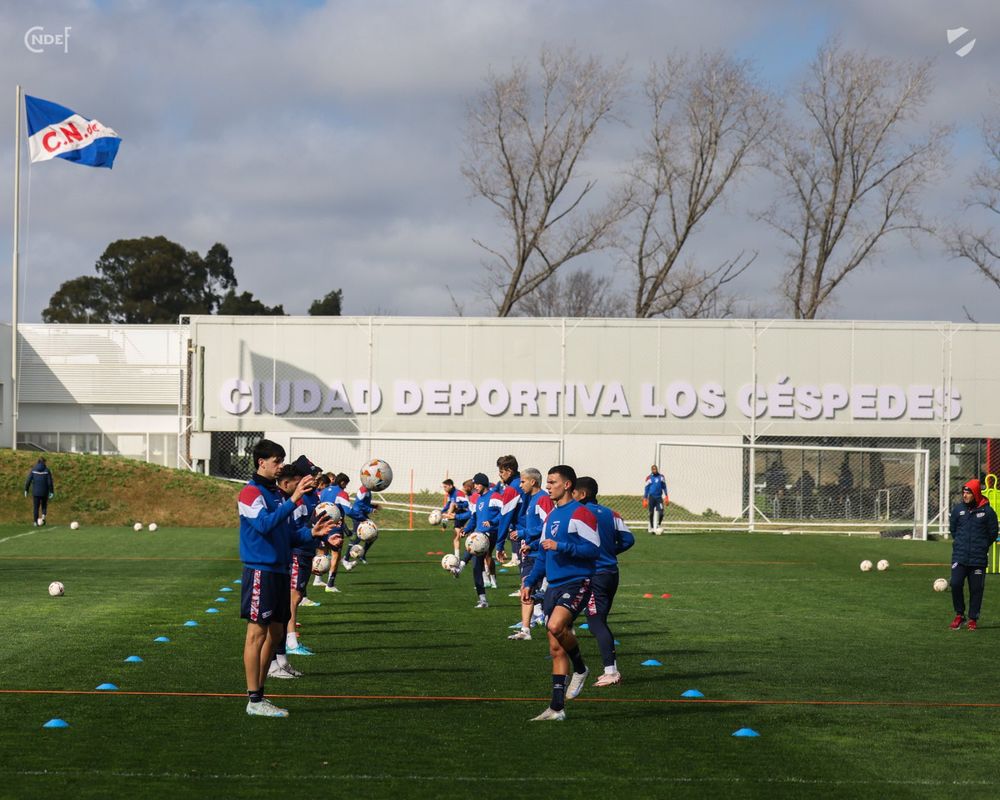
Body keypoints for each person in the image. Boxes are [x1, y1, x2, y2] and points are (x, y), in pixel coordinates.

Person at [238, 439, 334, 717]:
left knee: (277, 632)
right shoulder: (250, 493)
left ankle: (260, 694)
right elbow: (265, 525)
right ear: (262, 462)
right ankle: (254, 699)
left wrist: (312, 534)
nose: (280, 466)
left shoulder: (274, 494)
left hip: (279, 569)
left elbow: (288, 535)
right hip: (261, 570)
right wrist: (293, 501)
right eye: (277, 461)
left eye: (281, 461)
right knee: (256, 633)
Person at [521, 465, 600, 721]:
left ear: (567, 485)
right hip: (553, 586)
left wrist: (561, 545)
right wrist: (530, 581)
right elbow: (544, 555)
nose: (548, 486)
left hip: (576, 582)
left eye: (552, 482)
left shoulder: (581, 513)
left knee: (556, 626)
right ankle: (556, 709)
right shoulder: (551, 517)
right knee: (556, 649)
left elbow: (593, 550)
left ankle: (580, 668)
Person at [573, 476, 634, 685]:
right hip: (611, 574)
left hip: (595, 575)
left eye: (573, 492)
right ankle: (609, 669)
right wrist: (610, 551)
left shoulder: (578, 514)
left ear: (582, 494)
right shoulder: (611, 513)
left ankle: (612, 671)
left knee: (596, 622)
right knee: (599, 621)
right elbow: (628, 539)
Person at [508, 467, 553, 640]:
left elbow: (547, 526)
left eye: (523, 481)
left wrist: (524, 535)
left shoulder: (542, 499)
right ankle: (526, 630)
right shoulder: (532, 499)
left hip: (539, 555)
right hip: (531, 552)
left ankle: (550, 624)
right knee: (526, 588)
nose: (520, 485)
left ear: (533, 482)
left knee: (537, 591)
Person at [948, 479, 999, 631]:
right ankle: (959, 614)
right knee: (955, 584)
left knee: (976, 589)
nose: (965, 495)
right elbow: (953, 530)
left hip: (978, 559)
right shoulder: (958, 510)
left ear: (975, 493)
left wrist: (982, 546)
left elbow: (992, 533)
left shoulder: (988, 512)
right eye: (963, 492)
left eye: (968, 492)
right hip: (960, 556)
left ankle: (973, 618)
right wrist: (961, 544)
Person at [453, 473, 500, 607]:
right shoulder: (478, 499)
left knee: (474, 545)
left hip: (490, 534)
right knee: (476, 567)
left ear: (483, 484)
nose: (475, 487)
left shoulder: (495, 496)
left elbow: (505, 513)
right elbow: (474, 518)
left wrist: (492, 522)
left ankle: (460, 566)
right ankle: (482, 599)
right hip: (478, 533)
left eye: (477, 484)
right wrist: (466, 530)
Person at [24, 456, 55, 526]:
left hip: (36, 492)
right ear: (44, 462)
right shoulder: (47, 470)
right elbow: (50, 482)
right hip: (44, 492)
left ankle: (35, 522)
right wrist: (51, 491)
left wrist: (26, 489)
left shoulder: (33, 469)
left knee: (36, 507)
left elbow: (28, 480)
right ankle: (43, 518)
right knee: (44, 506)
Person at [643, 465, 668, 534]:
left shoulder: (661, 477)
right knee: (651, 513)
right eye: (653, 469)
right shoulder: (649, 478)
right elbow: (646, 488)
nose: (654, 470)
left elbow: (664, 487)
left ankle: (658, 524)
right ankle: (651, 527)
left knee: (661, 512)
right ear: (651, 470)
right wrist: (645, 498)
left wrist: (666, 496)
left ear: (657, 469)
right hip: (651, 497)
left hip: (659, 498)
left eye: (655, 469)